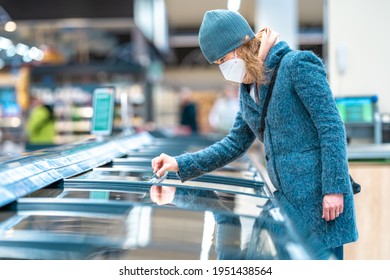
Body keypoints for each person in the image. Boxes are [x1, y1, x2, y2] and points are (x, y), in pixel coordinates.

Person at [151, 9, 358, 259]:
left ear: (240, 46)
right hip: (288, 202)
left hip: (321, 200)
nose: (223, 68)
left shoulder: (298, 65)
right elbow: (234, 143)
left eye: (222, 60)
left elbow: (332, 127)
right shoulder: (248, 88)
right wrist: (179, 163)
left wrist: (334, 190)